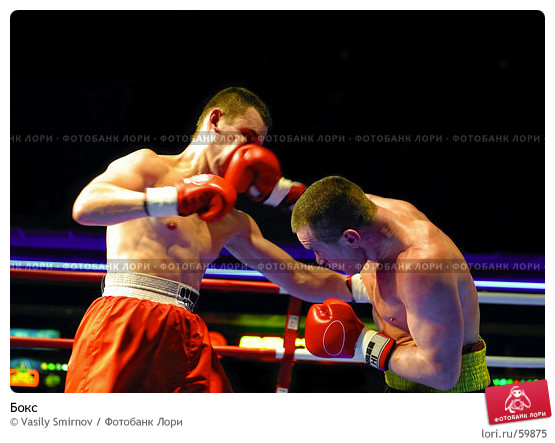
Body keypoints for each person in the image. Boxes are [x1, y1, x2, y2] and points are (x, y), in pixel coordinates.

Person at [65, 86, 321, 393]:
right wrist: (172, 199)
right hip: (128, 317)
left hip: (186, 328)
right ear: (215, 120)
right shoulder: (149, 166)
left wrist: (361, 286)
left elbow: (297, 276)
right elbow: (86, 206)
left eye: (258, 145)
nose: (251, 153)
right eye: (247, 137)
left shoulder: (230, 219)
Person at [291, 175, 491, 392]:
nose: (319, 259)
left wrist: (361, 342)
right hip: (398, 383)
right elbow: (322, 214)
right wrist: (276, 194)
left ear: (350, 239)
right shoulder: (363, 212)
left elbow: (443, 375)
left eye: (316, 249)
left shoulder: (421, 265)